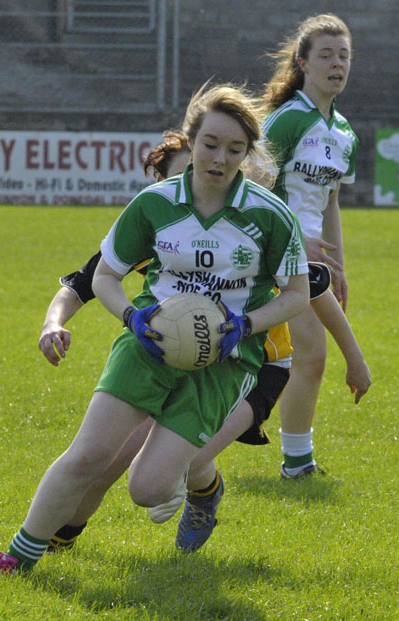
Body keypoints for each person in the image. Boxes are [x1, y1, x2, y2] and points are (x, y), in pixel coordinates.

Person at [0, 81, 311, 580]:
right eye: (210, 144)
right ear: (191, 138)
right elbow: (105, 276)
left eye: (234, 149)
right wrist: (132, 318)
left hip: (222, 361)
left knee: (146, 489)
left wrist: (243, 324)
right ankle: (13, 560)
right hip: (148, 343)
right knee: (88, 453)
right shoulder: (154, 204)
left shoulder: (270, 216)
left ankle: (192, 484)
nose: (220, 158)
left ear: (248, 153)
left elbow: (297, 295)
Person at [32, 130, 370, 554]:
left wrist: (354, 361)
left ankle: (204, 494)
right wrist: (52, 323)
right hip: (177, 357)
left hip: (254, 364)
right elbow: (83, 283)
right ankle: (62, 537)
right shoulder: (157, 226)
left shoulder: (252, 227)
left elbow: (313, 289)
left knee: (178, 460)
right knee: (110, 456)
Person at [260, 14, 360, 477]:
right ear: (303, 63)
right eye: (326, 55)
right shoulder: (287, 121)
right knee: (312, 355)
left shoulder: (344, 134)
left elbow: (331, 202)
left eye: (344, 55)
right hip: (273, 254)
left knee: (300, 357)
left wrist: (339, 267)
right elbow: (256, 192)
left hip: (311, 263)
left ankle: (294, 459)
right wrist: (297, 239)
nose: (337, 64)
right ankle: (297, 464)